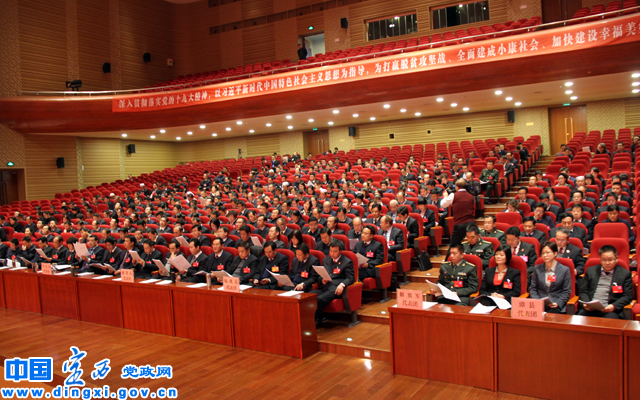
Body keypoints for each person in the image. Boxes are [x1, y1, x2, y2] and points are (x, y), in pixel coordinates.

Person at [578, 245, 633, 319]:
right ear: (600, 260)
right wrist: (586, 303)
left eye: (610, 260)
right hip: (591, 308)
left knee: (610, 321)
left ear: (616, 259)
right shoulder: (591, 271)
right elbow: (583, 291)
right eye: (604, 260)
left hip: (610, 310)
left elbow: (628, 296)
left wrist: (613, 306)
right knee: (579, 320)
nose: (607, 263)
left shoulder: (624, 274)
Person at [311, 239, 355, 325]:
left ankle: (312, 323)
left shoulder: (347, 262)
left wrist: (342, 285)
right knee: (309, 296)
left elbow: (350, 278)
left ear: (340, 251)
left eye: (335, 251)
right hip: (324, 286)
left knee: (319, 299)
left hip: (335, 288)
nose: (332, 253)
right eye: (331, 250)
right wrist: (322, 279)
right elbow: (320, 276)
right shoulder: (326, 260)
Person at [529, 242, 572, 313]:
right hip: (539, 303)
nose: (545, 255)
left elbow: (566, 291)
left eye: (547, 252)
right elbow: (533, 288)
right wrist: (537, 301)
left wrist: (558, 303)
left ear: (555, 253)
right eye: (543, 253)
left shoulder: (564, 270)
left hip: (555, 304)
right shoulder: (537, 268)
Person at [440, 178, 476, 246]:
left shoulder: (453, 195)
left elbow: (442, 205)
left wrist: (445, 196)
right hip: (471, 223)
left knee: (454, 246)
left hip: (460, 224)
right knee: (474, 244)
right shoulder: (472, 196)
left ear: (457, 186)